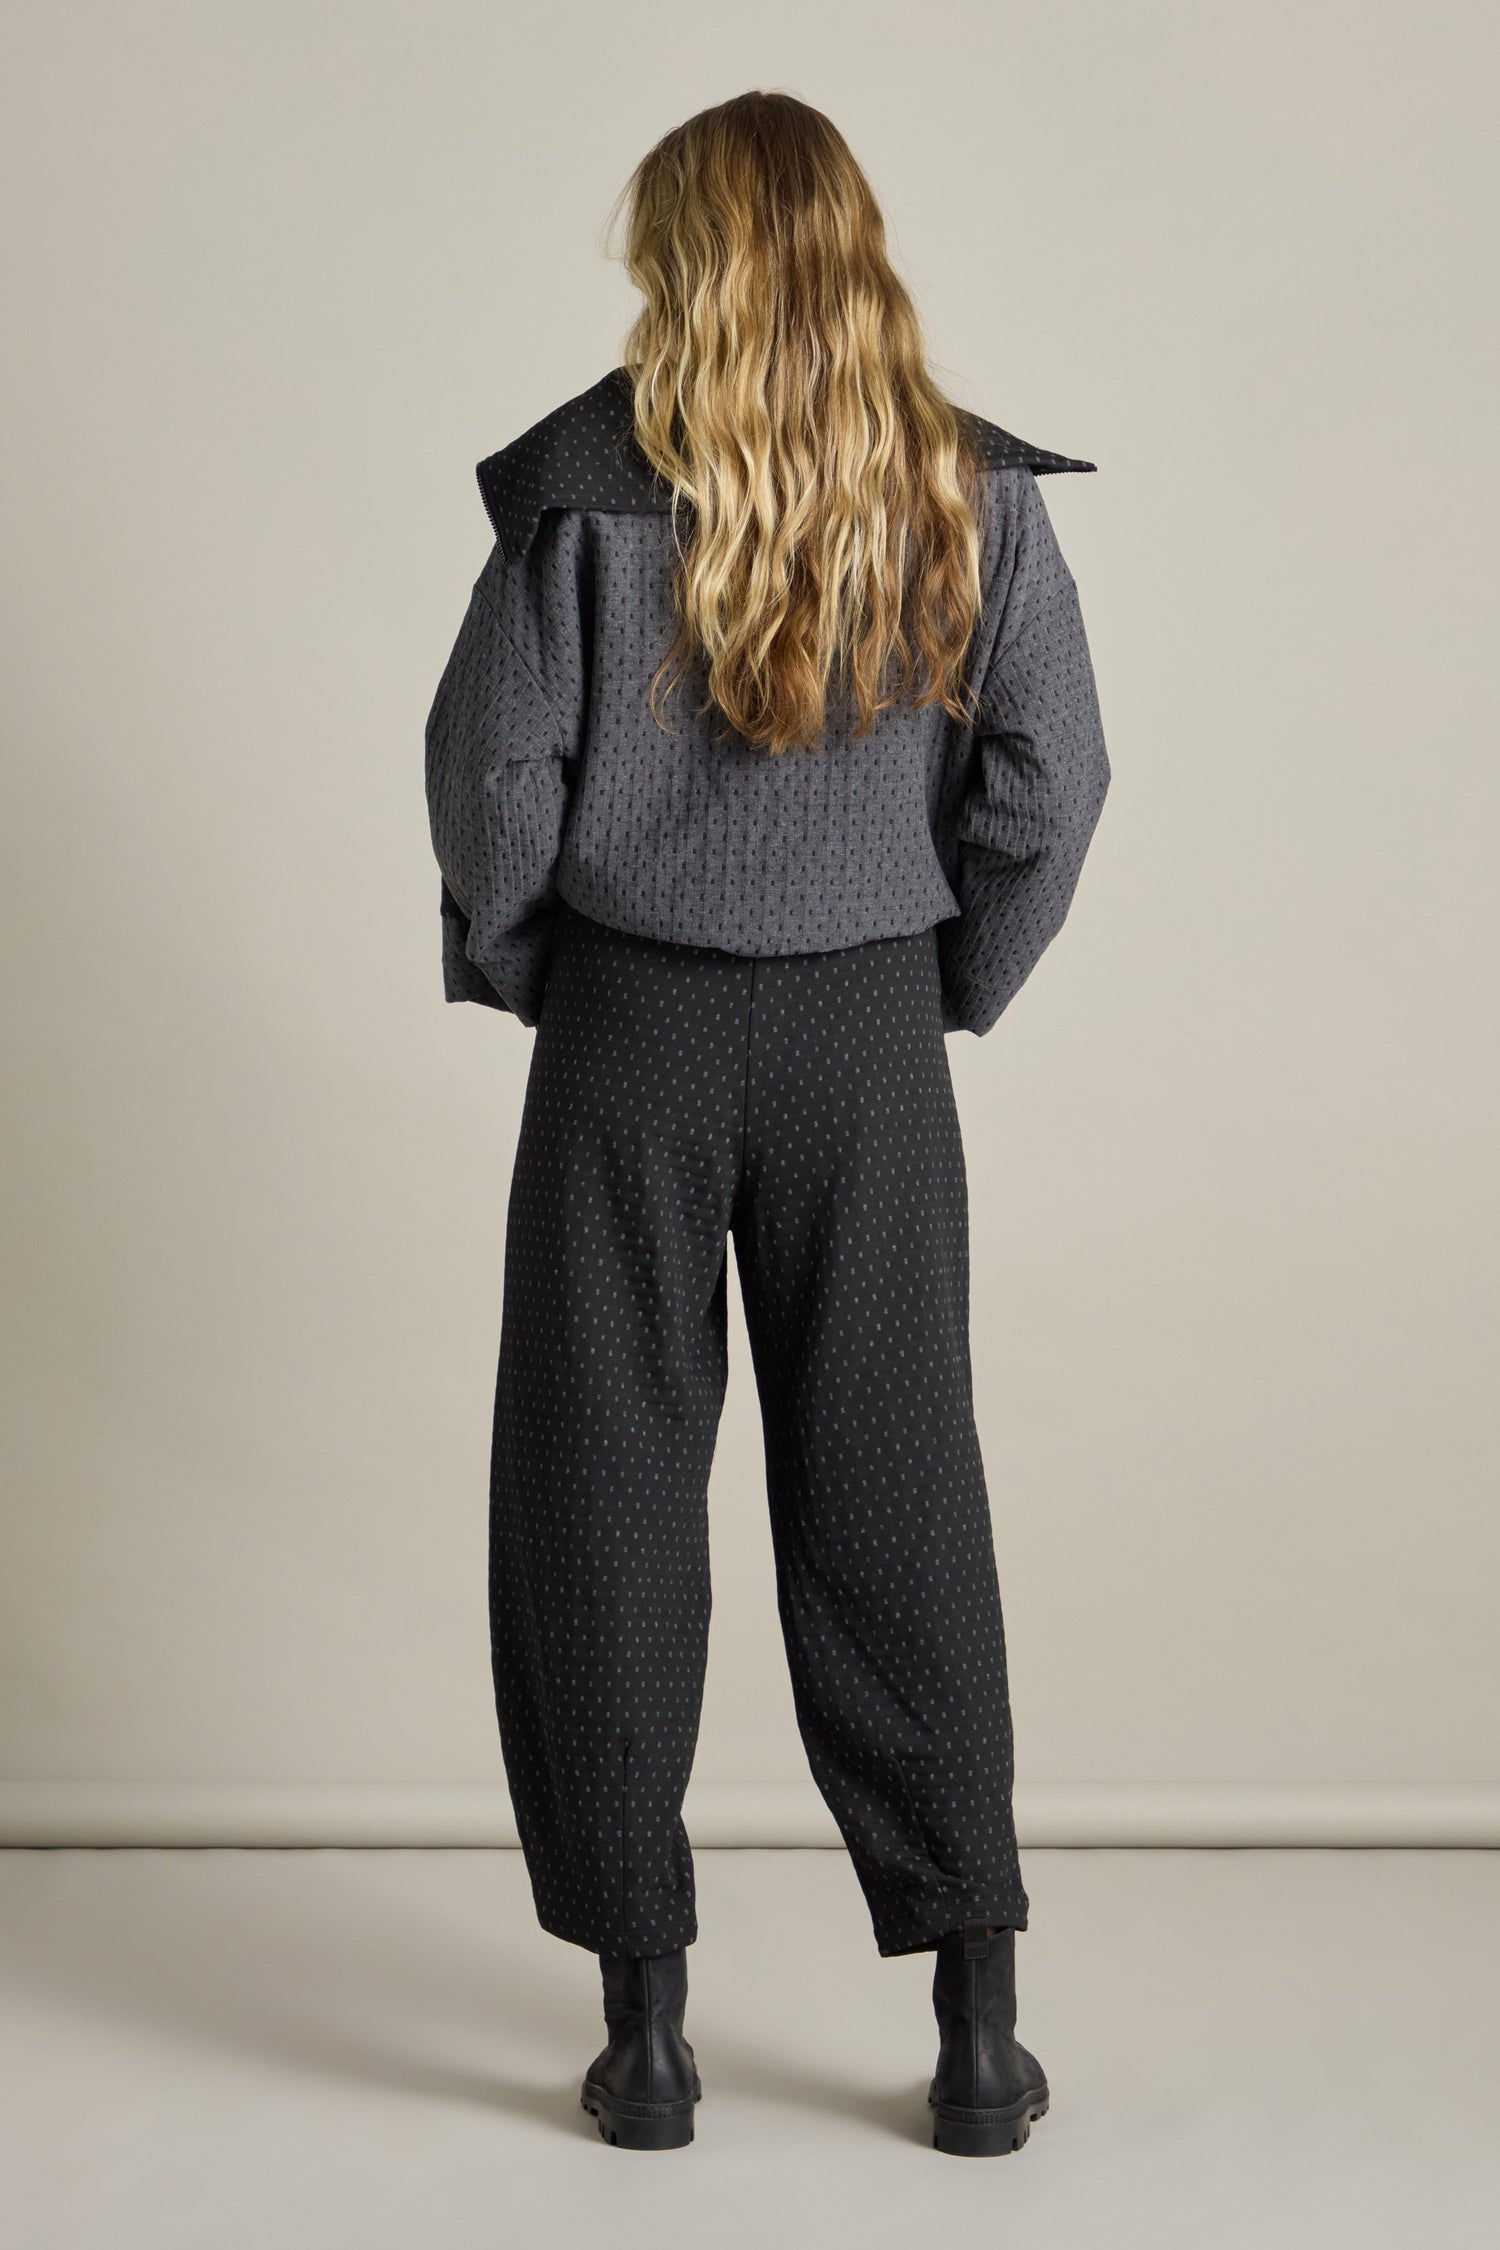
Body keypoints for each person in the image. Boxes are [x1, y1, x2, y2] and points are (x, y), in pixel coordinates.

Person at [424, 89, 1110, 2158]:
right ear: (854, 250)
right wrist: (949, 978)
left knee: (604, 1489)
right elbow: (1050, 783)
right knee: (900, 1485)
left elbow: (493, 786)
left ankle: (646, 2044)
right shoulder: (967, 494)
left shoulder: (578, 495)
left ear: (681, 262)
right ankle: (977, 2040)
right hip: (867, 1050)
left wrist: (548, 969)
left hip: (631, 1037)